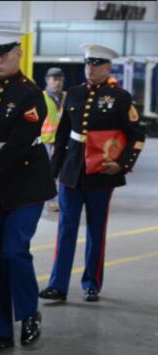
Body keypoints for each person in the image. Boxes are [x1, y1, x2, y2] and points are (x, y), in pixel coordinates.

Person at [39, 44, 145, 303]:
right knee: (66, 228)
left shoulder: (119, 97)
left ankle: (91, 283)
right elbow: (63, 134)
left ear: (107, 67)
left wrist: (122, 164)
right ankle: (58, 284)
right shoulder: (73, 94)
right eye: (88, 64)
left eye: (97, 64)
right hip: (72, 171)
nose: (91, 68)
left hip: (101, 173)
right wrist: (53, 171)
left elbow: (136, 136)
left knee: (96, 230)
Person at [0, 30, 56, 353]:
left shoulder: (31, 94)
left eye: (3, 53)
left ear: (18, 54)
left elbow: (21, 144)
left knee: (13, 250)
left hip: (25, 183)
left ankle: (28, 312)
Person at [41, 67, 67, 212]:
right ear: (47, 80)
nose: (58, 82)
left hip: (62, 143)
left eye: (60, 80)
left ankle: (62, 199)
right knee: (49, 173)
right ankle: (52, 200)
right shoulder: (41, 97)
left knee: (64, 172)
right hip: (46, 141)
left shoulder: (67, 97)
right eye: (55, 79)